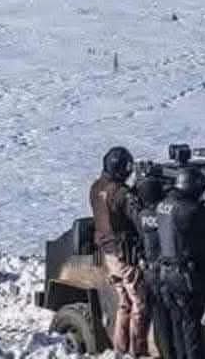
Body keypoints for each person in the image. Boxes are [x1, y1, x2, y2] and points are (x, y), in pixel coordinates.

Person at [90, 146, 148, 357]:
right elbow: (139, 219)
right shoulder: (121, 193)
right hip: (124, 255)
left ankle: (120, 349)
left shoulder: (96, 187)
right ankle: (136, 350)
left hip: (108, 253)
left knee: (124, 302)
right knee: (139, 303)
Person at [156, 166, 205, 359]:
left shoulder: (163, 205)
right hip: (183, 277)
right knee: (191, 327)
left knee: (176, 323)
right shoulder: (188, 210)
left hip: (165, 274)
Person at [135, 173, 171, 359]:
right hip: (167, 271)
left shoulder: (142, 216)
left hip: (151, 272)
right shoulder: (165, 214)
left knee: (158, 318)